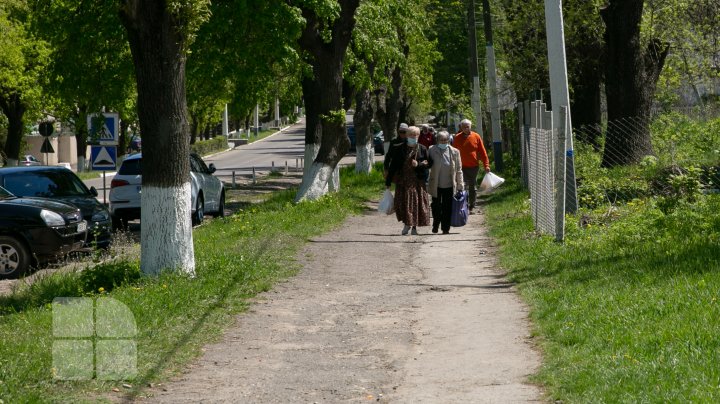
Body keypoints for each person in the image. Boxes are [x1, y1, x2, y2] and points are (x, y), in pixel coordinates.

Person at [385, 126, 430, 235]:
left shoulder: (423, 148)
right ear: (407, 135)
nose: (413, 137)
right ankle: (406, 223)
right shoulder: (400, 148)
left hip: (417, 182)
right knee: (403, 204)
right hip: (403, 181)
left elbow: (428, 163)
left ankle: (414, 227)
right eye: (411, 135)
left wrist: (418, 165)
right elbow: (393, 166)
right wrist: (388, 181)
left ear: (418, 136)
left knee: (416, 204)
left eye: (415, 135)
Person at [427, 131, 464, 234]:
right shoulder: (431, 150)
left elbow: (459, 170)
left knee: (447, 207)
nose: (443, 142)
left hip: (449, 185)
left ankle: (445, 228)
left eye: (445, 140)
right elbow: (427, 164)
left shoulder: (455, 152)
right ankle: (436, 224)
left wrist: (460, 185)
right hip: (436, 184)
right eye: (441, 140)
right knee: (436, 207)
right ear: (437, 140)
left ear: (448, 140)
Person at [454, 119, 490, 213]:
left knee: (473, 187)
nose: (466, 128)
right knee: (463, 186)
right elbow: (453, 152)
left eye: (467, 126)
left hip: (474, 166)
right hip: (461, 167)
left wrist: (486, 165)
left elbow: (482, 152)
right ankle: (464, 205)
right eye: (464, 127)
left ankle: (472, 206)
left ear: (470, 126)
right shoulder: (457, 137)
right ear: (461, 128)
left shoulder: (476, 136)